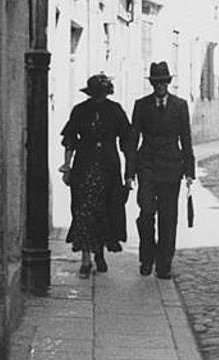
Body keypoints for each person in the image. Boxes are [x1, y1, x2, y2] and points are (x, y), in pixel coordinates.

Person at [124, 62, 195, 279]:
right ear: (152, 84)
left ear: (168, 83)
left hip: (172, 168)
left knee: (168, 218)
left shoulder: (180, 106)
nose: (160, 86)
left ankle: (164, 264)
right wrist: (129, 172)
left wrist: (189, 171)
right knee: (146, 213)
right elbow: (133, 139)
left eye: (163, 82)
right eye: (156, 83)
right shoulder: (142, 105)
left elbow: (186, 139)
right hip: (147, 166)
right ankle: (147, 257)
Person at [59, 73, 131, 278]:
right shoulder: (80, 111)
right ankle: (85, 259)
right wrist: (67, 166)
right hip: (85, 166)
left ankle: (99, 253)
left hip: (109, 168)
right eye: (96, 94)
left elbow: (127, 141)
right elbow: (70, 139)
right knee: (84, 210)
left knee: (106, 210)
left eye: (102, 93)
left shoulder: (115, 110)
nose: (99, 97)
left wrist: (129, 173)